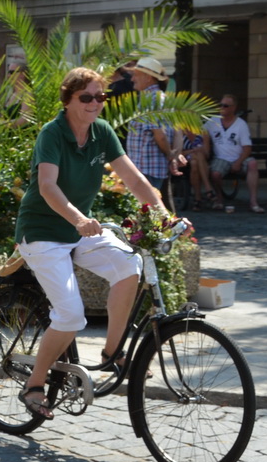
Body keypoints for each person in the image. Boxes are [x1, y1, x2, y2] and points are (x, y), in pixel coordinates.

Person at [14, 67, 176, 419]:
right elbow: (47, 186)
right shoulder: (52, 133)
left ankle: (113, 351)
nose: (94, 104)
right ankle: (34, 385)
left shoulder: (101, 133)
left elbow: (133, 178)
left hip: (79, 231)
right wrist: (78, 219)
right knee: (71, 315)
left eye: (100, 97)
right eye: (86, 97)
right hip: (43, 232)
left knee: (128, 265)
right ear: (68, 98)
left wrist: (164, 214)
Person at [122, 56, 182, 210]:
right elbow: (177, 131)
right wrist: (173, 156)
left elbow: (160, 135)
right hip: (151, 167)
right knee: (155, 212)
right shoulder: (162, 98)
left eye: (136, 74)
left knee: (147, 214)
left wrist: (170, 154)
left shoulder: (151, 99)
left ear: (148, 77)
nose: (132, 78)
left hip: (146, 168)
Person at [194, 94, 264, 212]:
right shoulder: (212, 122)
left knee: (253, 164)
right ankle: (219, 199)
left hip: (239, 157)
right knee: (215, 173)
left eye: (225, 106)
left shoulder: (241, 124)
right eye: (220, 105)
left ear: (233, 108)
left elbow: (247, 148)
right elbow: (199, 132)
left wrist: (238, 162)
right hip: (221, 158)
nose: (222, 108)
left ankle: (253, 202)